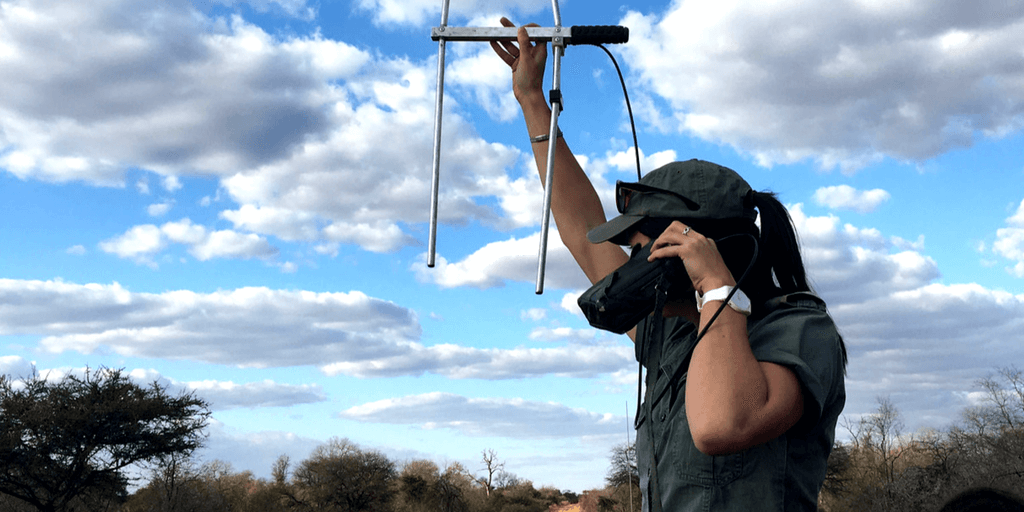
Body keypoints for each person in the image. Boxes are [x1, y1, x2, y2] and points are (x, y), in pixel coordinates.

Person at [491, 18, 848, 511]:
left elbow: (722, 425)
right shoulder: (674, 332)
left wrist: (716, 289)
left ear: (705, 250)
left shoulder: (799, 331)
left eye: (646, 250)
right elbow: (582, 231)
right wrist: (533, 103)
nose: (633, 266)